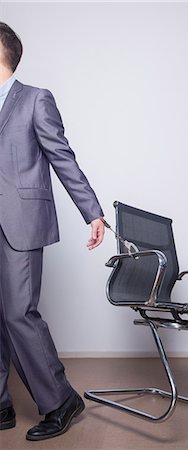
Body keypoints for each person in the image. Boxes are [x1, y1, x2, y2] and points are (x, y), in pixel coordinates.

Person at [0, 22, 105, 441]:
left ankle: (61, 400)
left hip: (21, 224)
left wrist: (92, 212)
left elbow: (63, 158)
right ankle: (2, 405)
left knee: (17, 314)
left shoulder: (34, 100)